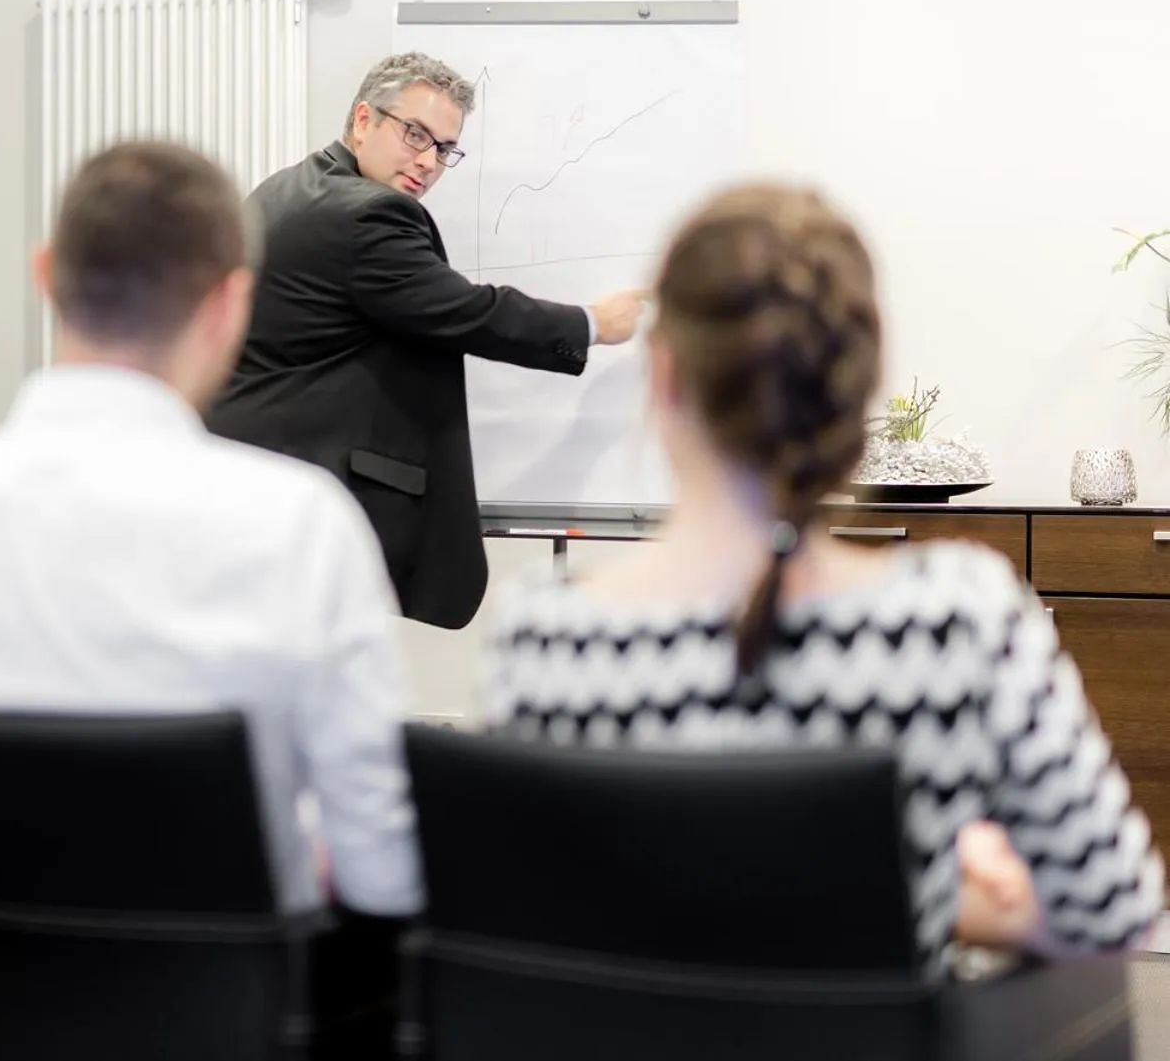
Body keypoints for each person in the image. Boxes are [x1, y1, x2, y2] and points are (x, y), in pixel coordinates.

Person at [481, 184, 1162, 972]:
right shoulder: (959, 617)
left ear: (664, 376)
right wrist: (948, 892)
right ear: (859, 389)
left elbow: (529, 928)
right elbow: (1114, 912)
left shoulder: (544, 635)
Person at [0, 140, 421, 922]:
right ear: (231, 303)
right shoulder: (298, 528)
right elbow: (383, 873)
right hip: (221, 1022)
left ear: (45, 276)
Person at [206, 51, 650, 630]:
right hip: (315, 492)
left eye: (444, 148)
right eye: (414, 133)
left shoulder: (284, 189)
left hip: (263, 483)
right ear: (363, 120)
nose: (427, 161)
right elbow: (465, 312)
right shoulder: (367, 214)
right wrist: (592, 323)